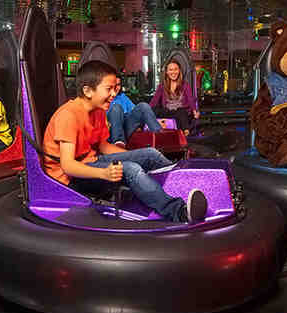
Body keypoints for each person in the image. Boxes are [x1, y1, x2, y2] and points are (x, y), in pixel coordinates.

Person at [42, 59, 207, 223]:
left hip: (91, 161)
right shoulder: (68, 115)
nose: (114, 94)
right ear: (88, 91)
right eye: (108, 89)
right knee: (130, 169)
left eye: (114, 88)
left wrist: (135, 156)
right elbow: (68, 166)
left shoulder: (98, 111)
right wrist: (104, 173)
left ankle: (188, 186)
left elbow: (103, 146)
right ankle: (179, 212)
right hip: (69, 179)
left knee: (149, 154)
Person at [106, 75, 161, 146]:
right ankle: (118, 142)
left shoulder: (122, 96)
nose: (116, 88)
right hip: (112, 129)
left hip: (126, 127)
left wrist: (155, 120)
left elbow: (135, 111)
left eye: (118, 85)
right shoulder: (103, 97)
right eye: (114, 85)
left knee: (143, 106)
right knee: (116, 108)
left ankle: (160, 136)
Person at [150, 61, 199, 136]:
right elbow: (154, 101)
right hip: (167, 111)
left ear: (179, 71)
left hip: (180, 112)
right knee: (154, 109)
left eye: (175, 69)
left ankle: (186, 130)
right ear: (167, 72)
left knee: (181, 112)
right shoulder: (162, 86)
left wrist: (195, 110)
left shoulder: (185, 85)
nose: (173, 72)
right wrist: (146, 110)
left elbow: (190, 99)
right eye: (170, 70)